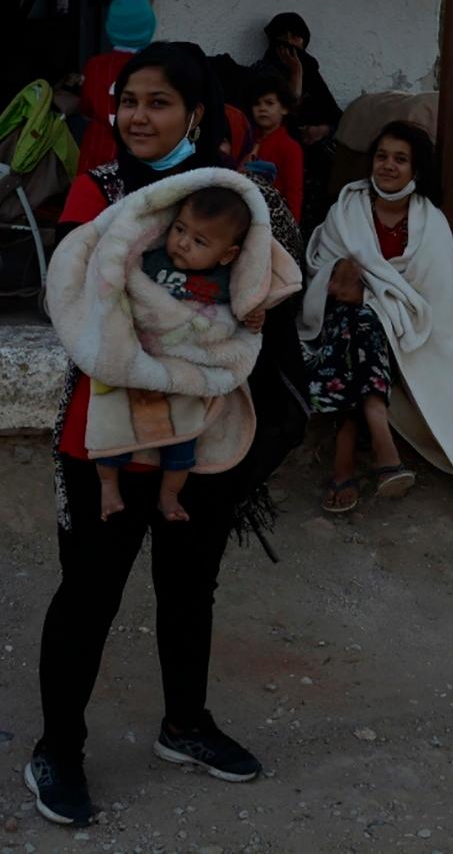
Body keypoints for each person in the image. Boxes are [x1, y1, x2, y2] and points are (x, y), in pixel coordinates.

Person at [28, 42, 306, 829]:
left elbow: (283, 276)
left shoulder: (246, 192)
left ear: (196, 112)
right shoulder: (101, 187)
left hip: (206, 426)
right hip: (108, 428)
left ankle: (185, 725)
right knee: (90, 590)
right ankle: (58, 748)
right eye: (128, 101)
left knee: (190, 585)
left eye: (157, 102)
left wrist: (256, 313)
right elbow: (84, 292)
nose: (137, 117)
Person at [299, 122, 453, 529]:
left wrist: (373, 295)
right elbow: (320, 268)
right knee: (357, 322)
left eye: (400, 159)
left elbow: (438, 299)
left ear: (415, 170)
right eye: (382, 156)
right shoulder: (347, 209)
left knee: (363, 322)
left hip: (406, 325)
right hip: (341, 316)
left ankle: (344, 459)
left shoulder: (431, 224)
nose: (388, 165)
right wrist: (341, 272)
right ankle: (381, 444)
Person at [97, 185, 254, 524]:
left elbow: (240, 314)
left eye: (200, 242)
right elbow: (127, 289)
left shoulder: (223, 282)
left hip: (185, 366)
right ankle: (108, 485)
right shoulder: (152, 261)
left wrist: (254, 315)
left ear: (226, 255)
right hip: (143, 357)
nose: (183, 243)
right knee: (114, 425)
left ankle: (169, 495)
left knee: (184, 442)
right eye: (180, 229)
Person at [248, 12, 342, 223]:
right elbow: (281, 113)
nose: (290, 42)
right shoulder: (263, 74)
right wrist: (295, 74)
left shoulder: (312, 75)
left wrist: (321, 131)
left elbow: (336, 116)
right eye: (284, 36)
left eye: (295, 37)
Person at [77, 0, 157, 175]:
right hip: (139, 153)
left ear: (110, 28)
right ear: (150, 27)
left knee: (93, 200)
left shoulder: (94, 66)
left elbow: (86, 110)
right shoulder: (156, 68)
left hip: (98, 152)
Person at [243, 71, 305, 219]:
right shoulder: (247, 138)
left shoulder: (290, 147)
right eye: (257, 104)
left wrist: (292, 225)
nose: (262, 108)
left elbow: (294, 191)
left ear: (284, 108)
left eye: (269, 103)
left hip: (271, 217)